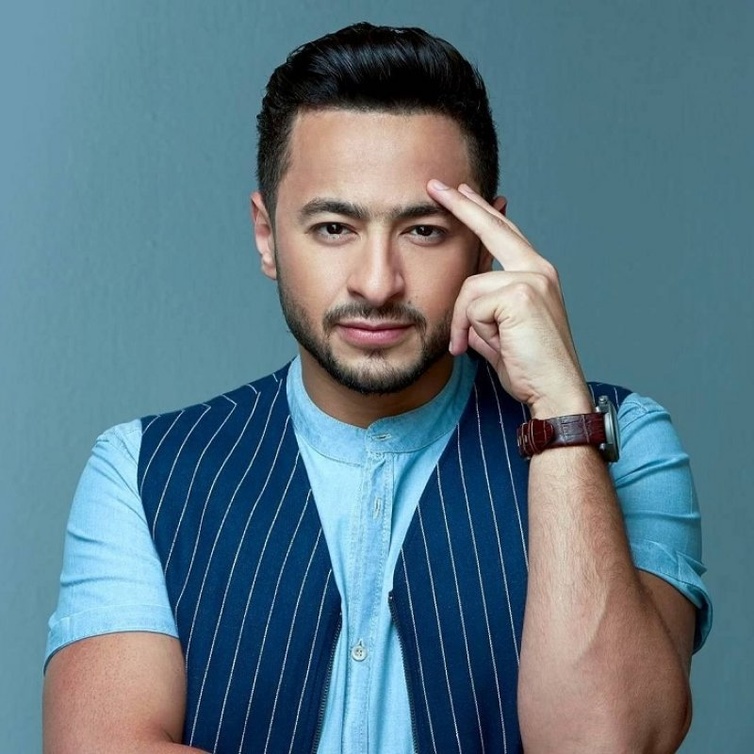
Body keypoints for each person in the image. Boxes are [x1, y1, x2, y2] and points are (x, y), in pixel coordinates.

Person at [43, 22, 711, 754]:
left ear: (487, 242)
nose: (377, 283)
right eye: (334, 228)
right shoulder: (145, 469)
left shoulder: (622, 439)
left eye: (423, 231)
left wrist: (559, 414)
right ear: (267, 236)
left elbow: (605, 743)